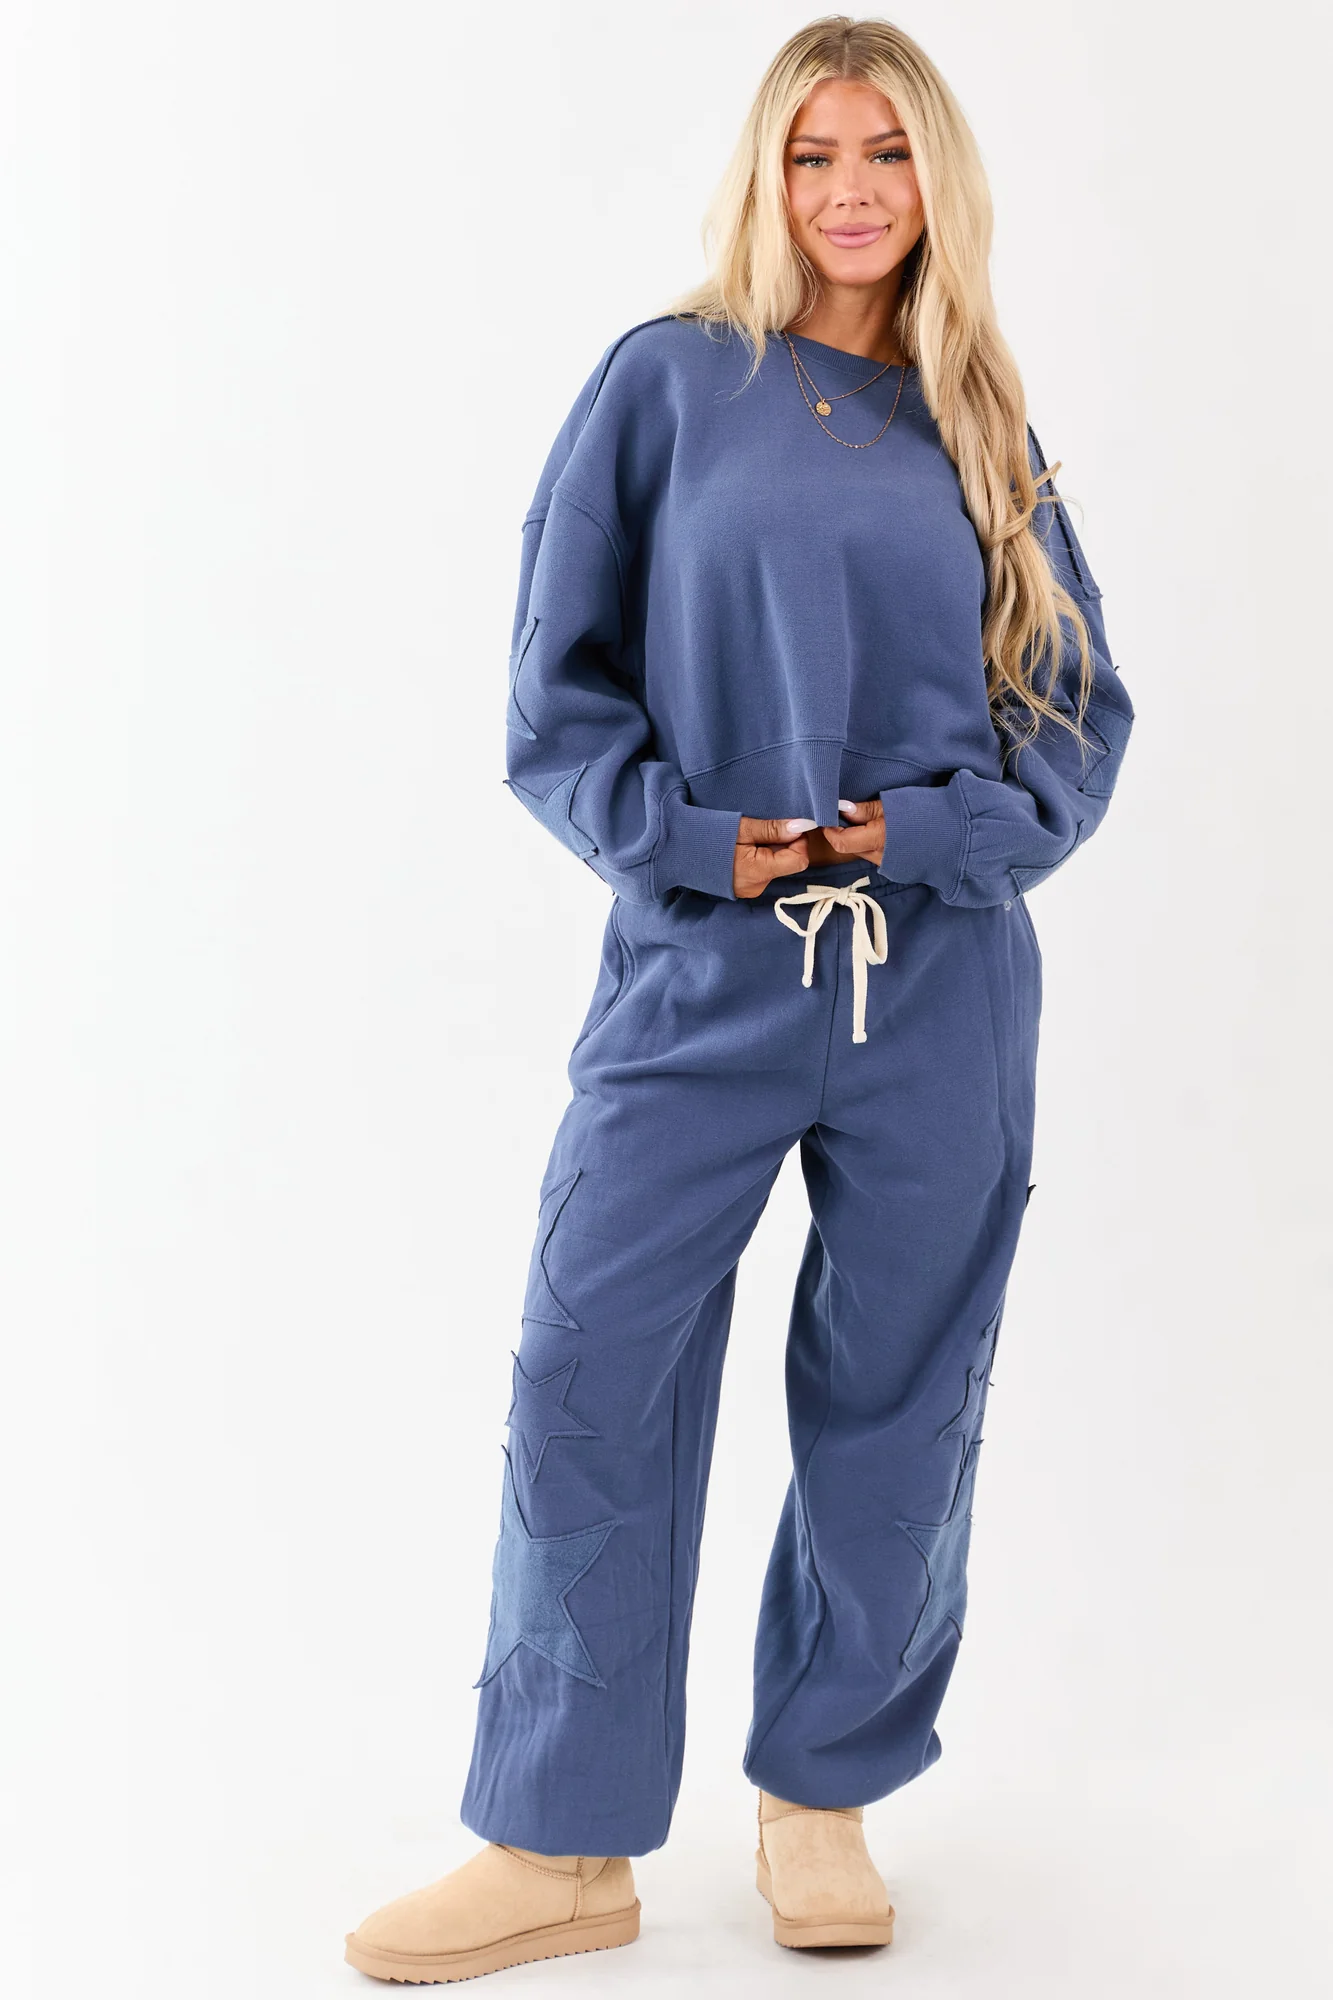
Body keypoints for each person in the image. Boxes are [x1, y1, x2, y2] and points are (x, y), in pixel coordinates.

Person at [345, 12, 1134, 1984]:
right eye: (813, 152)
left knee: (902, 1401)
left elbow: (1078, 718)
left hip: (937, 989)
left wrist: (932, 830)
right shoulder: (668, 383)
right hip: (700, 976)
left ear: (939, 179)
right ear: (764, 175)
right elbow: (556, 695)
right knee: (586, 1364)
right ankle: (559, 1843)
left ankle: (821, 1800)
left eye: (887, 152)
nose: (852, 189)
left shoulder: (981, 417)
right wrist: (696, 842)